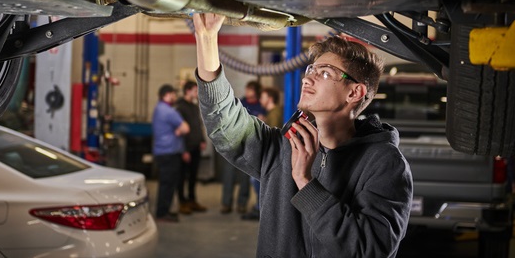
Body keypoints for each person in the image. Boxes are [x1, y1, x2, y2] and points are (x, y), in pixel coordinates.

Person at [192, 13, 413, 257]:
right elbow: (225, 120)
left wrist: (305, 183)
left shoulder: (384, 163)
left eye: (325, 73)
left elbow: (368, 249)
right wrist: (207, 39)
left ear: (355, 93)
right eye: (311, 69)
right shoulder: (284, 147)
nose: (308, 78)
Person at [219, 80, 265, 214]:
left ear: (256, 91)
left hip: (250, 146)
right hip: (233, 145)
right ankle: (226, 204)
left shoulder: (260, 106)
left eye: (250, 89)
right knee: (229, 175)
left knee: (245, 177)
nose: (247, 92)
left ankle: (242, 204)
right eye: (246, 89)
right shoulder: (239, 103)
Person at [242, 86, 284, 221]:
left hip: (270, 155)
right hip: (270, 155)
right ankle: (260, 207)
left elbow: (272, 135)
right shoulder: (271, 113)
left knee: (256, 180)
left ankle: (262, 209)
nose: (260, 99)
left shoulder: (275, 114)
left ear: (270, 99)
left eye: (263, 97)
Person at [152, 84, 189, 222]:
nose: (175, 97)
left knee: (166, 183)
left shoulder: (158, 109)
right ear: (166, 95)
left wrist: (178, 131)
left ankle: (165, 210)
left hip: (163, 152)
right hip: (169, 153)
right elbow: (186, 128)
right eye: (173, 94)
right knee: (168, 184)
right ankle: (162, 213)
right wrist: (179, 131)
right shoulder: (168, 111)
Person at [175, 80, 208, 215]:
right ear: (187, 91)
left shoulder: (194, 106)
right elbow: (180, 131)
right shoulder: (180, 107)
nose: (197, 93)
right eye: (195, 90)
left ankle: (192, 200)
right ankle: (182, 203)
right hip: (186, 148)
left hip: (196, 147)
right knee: (182, 176)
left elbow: (198, 125)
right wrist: (184, 150)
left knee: (193, 176)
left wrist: (202, 140)